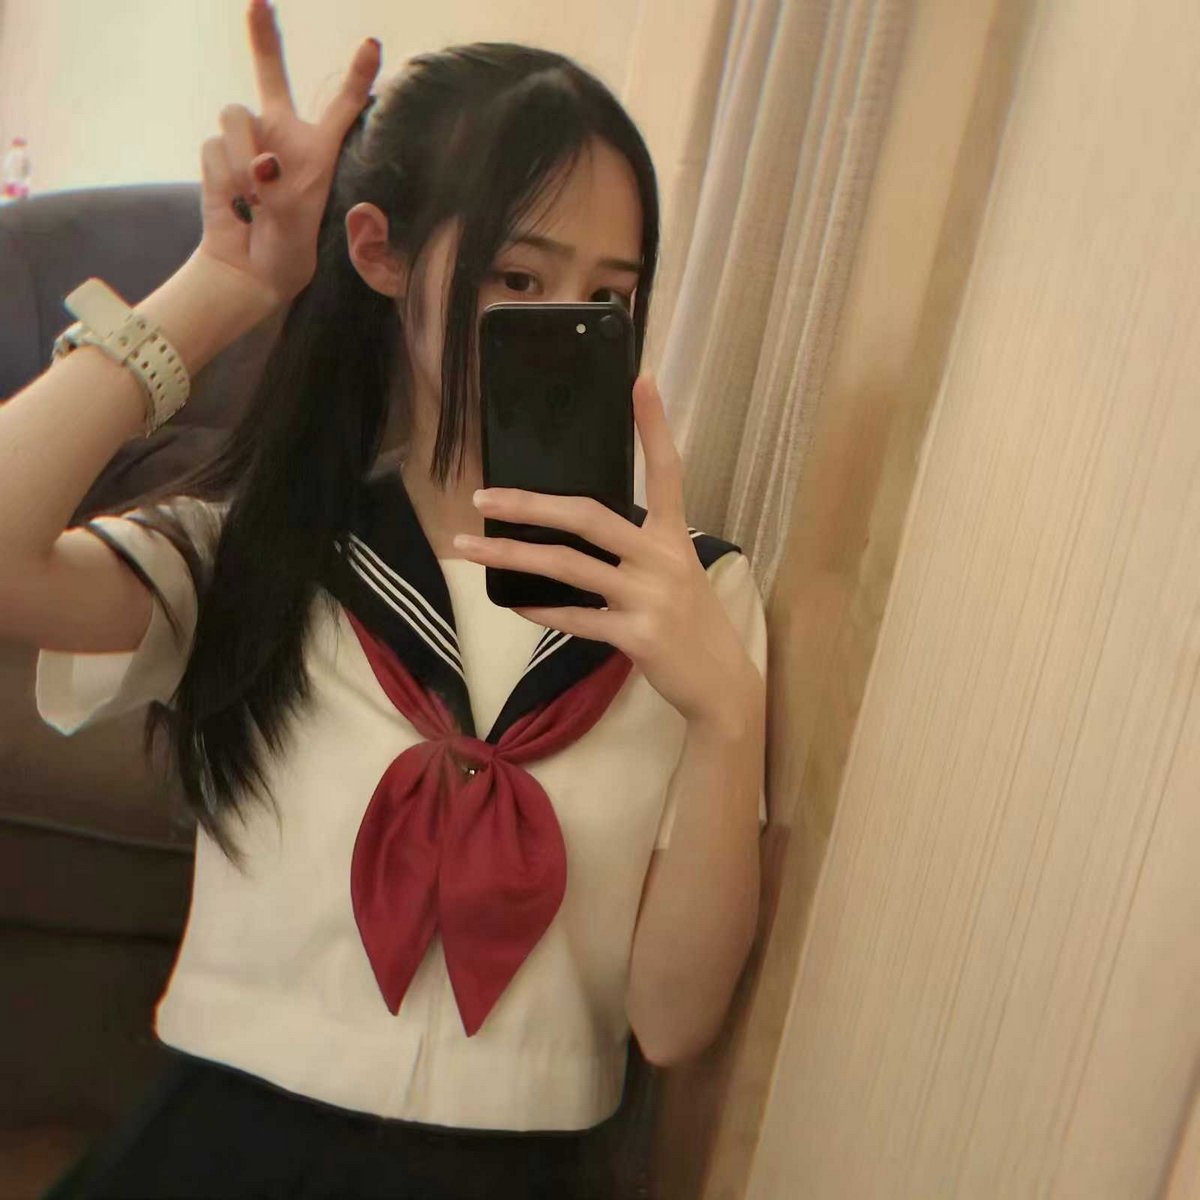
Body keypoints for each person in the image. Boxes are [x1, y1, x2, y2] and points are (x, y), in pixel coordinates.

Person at [0, 0, 768, 1195]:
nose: (560, 326)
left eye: (605, 298)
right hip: (217, 1154)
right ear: (381, 253)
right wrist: (226, 283)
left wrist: (725, 718)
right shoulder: (264, 549)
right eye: (517, 275)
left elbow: (671, 1025)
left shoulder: (694, 599)